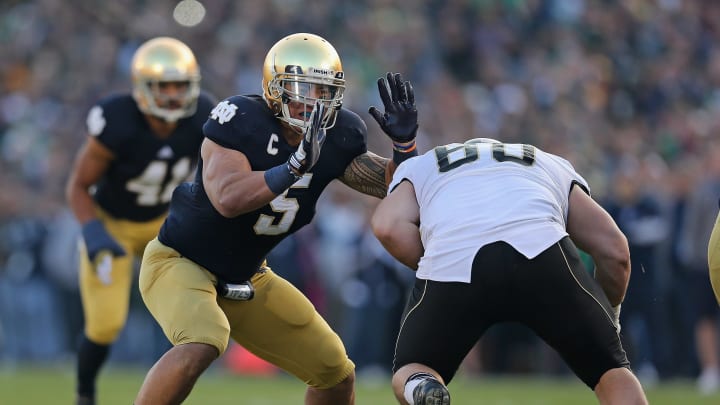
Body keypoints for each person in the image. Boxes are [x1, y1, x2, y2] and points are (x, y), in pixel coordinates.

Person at [133, 32, 419, 405]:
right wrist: (294, 166)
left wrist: (404, 148)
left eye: (322, 90)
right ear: (273, 88)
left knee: (335, 373)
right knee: (202, 340)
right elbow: (228, 197)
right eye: (301, 87)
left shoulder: (337, 134)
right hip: (180, 263)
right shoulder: (240, 119)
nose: (311, 101)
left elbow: (394, 186)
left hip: (249, 275)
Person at [371, 138, 649, 405]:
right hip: (540, 250)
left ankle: (423, 386)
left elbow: (387, 226)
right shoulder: (548, 163)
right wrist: (608, 316)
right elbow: (615, 251)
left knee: (414, 368)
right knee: (611, 371)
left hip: (454, 258)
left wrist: (432, 261)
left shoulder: (424, 165)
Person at [65, 36, 216, 405]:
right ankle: (84, 394)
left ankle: (175, 382)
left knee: (189, 308)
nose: (172, 95)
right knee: (105, 324)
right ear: (141, 87)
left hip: (162, 224)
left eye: (180, 86)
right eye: (163, 86)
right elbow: (79, 186)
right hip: (112, 224)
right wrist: (93, 230)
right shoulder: (116, 121)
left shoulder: (202, 117)